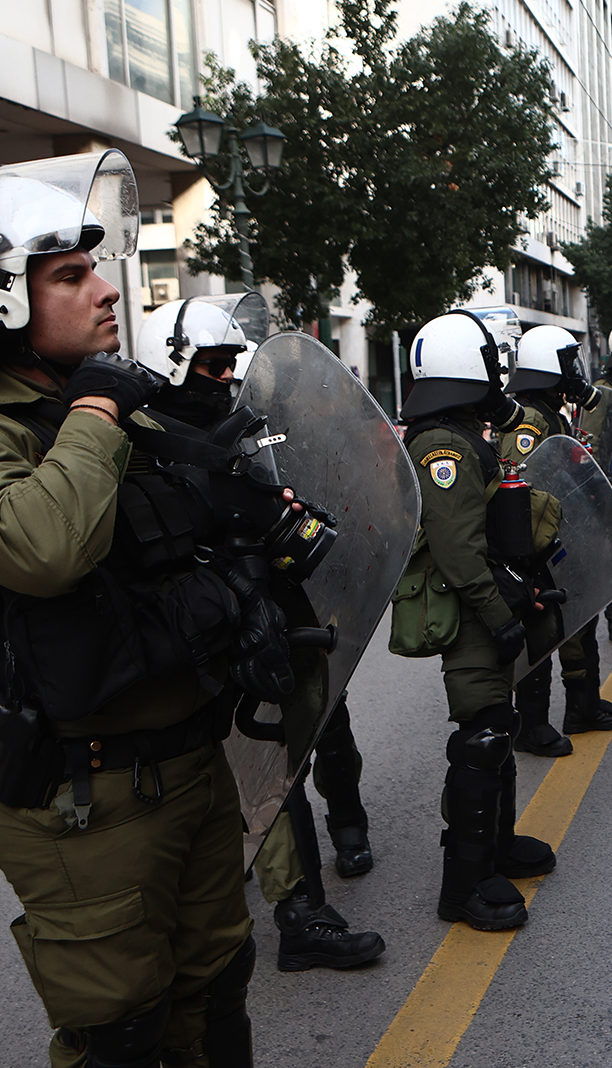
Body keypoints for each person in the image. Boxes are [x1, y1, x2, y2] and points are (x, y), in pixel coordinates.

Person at [0, 153, 261, 1065]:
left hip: (191, 762)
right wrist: (98, 409)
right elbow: (43, 545)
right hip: (79, 794)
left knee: (216, 991)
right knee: (121, 1031)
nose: (105, 290)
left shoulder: (99, 405)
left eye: (94, 267)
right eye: (69, 275)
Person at [135, 298, 385, 973]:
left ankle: (348, 828)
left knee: (325, 728)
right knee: (269, 776)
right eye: (211, 364)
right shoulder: (144, 455)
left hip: (283, 614)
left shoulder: (239, 433)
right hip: (220, 641)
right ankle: (299, 914)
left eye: (229, 364)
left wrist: (290, 521)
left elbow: (275, 501)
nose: (224, 377)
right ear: (173, 363)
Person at [398, 310, 560, 930]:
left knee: (498, 723)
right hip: (467, 611)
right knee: (482, 737)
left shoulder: (464, 433)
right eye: (490, 362)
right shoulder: (443, 446)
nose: (500, 373)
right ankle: (462, 886)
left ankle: (497, 847)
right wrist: (499, 617)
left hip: (484, 603)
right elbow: (459, 550)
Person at [495, 325, 612, 757]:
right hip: (538, 547)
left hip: (563, 536)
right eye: (567, 362)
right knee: (541, 626)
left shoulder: (553, 414)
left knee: (579, 620)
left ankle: (583, 705)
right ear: (547, 368)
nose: (575, 371)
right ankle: (532, 725)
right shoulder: (529, 421)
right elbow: (520, 484)